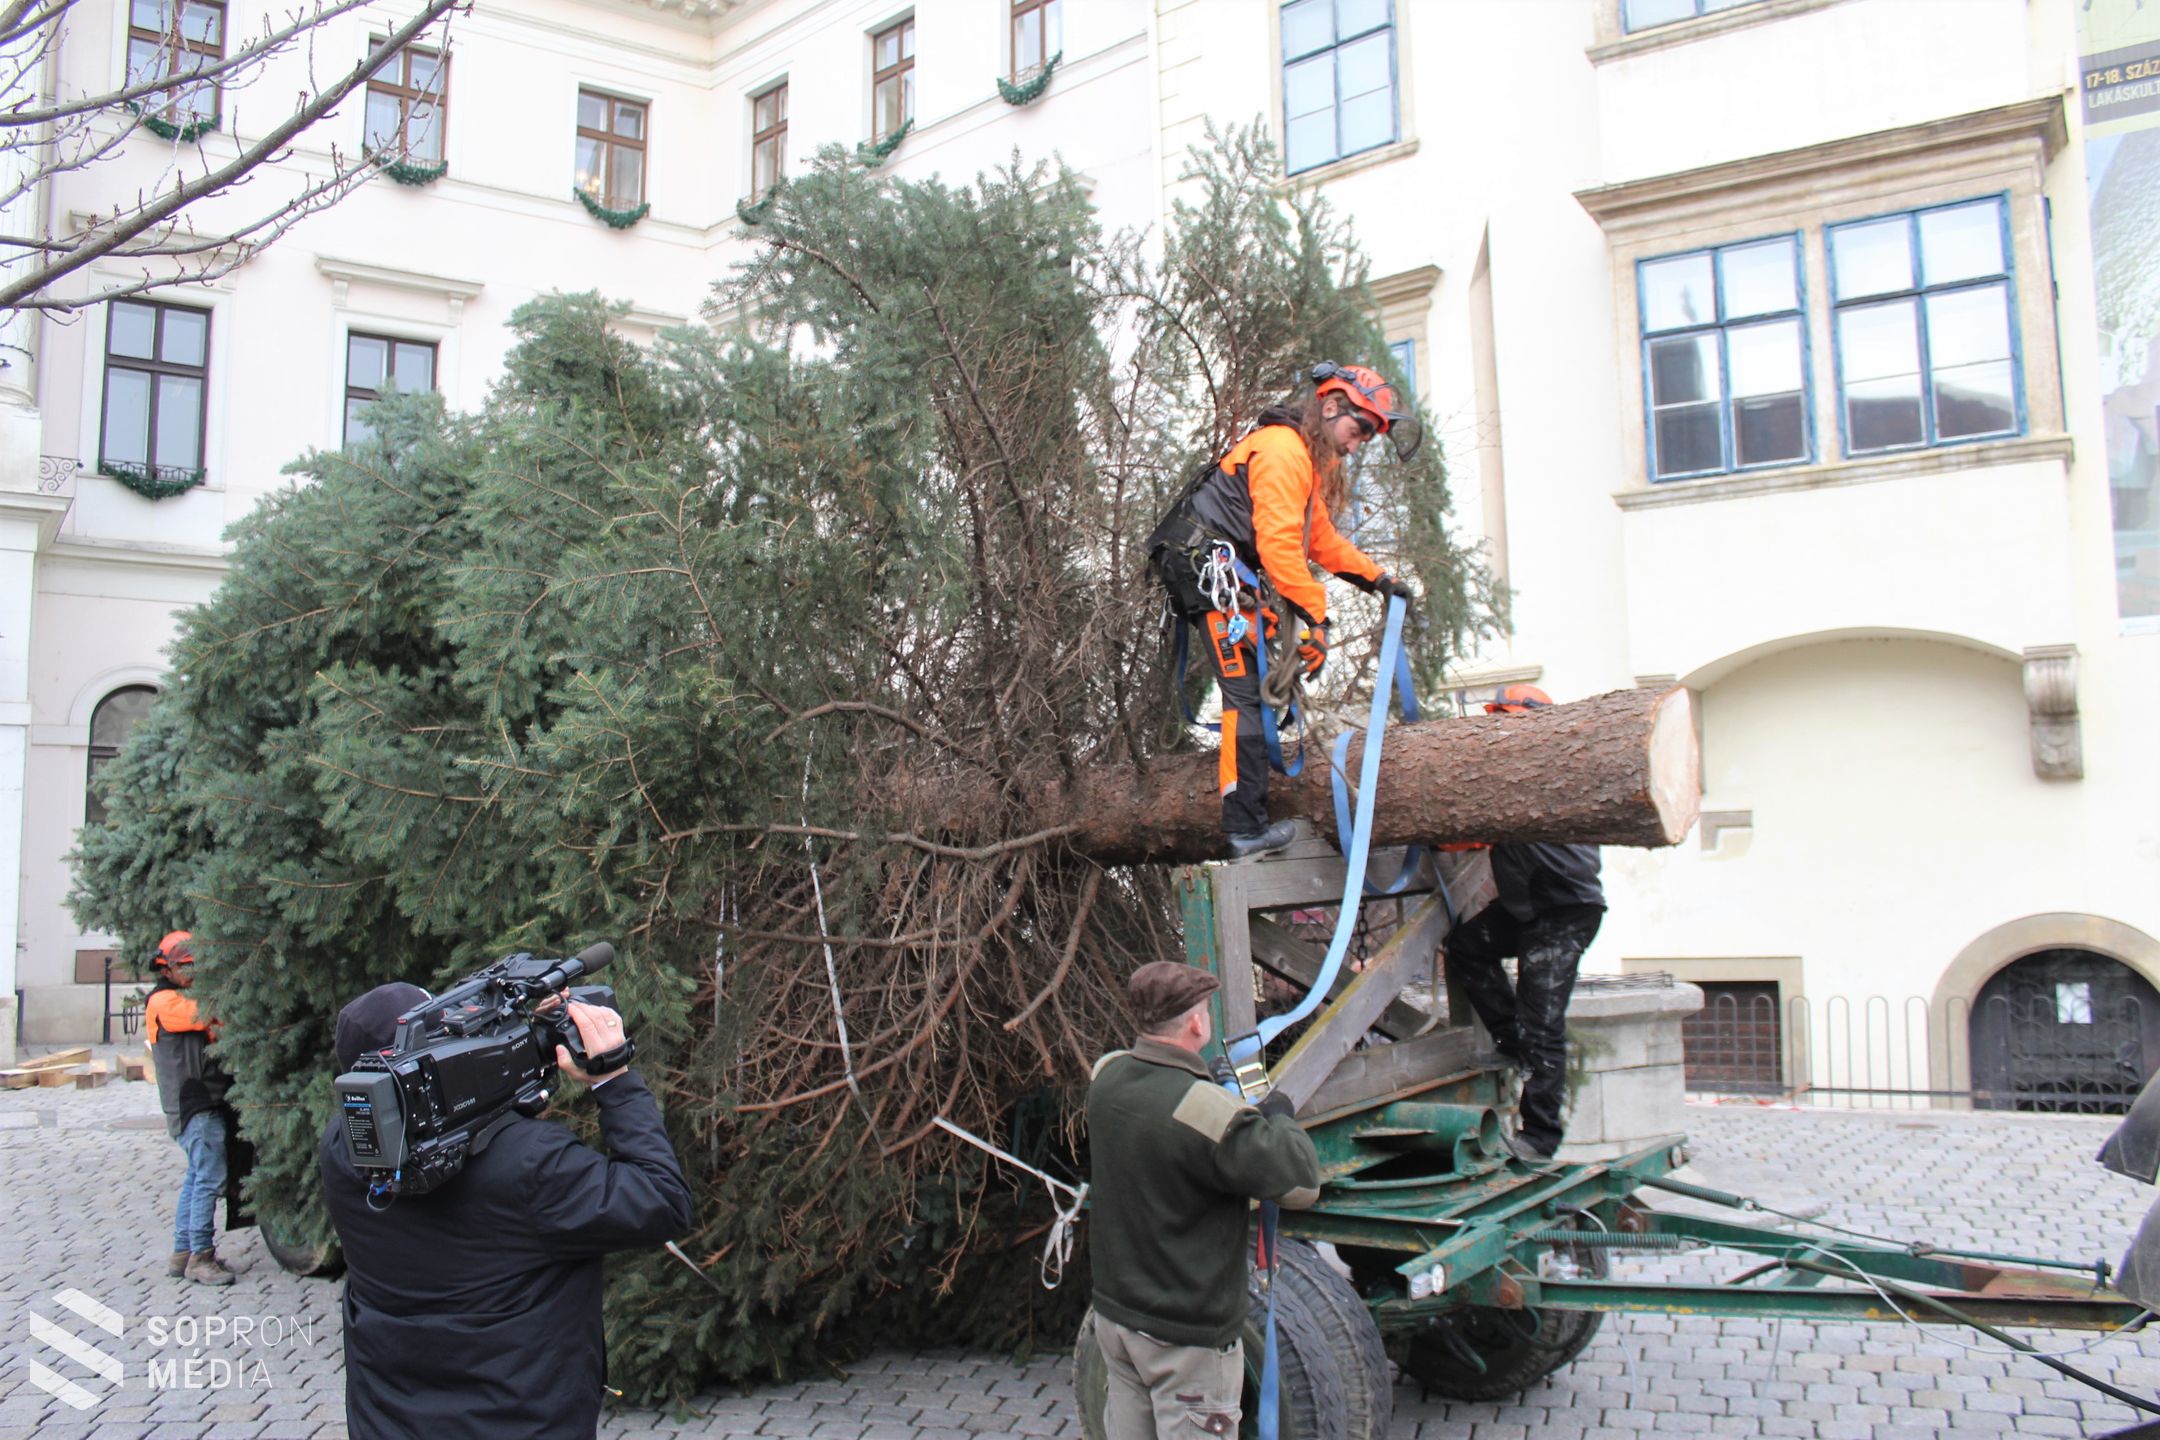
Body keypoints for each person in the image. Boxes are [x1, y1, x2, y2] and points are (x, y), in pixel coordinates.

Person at [320, 982, 694, 1440]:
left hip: (389, 1423)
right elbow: (661, 1199)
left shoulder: (341, 1149)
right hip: (522, 1423)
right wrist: (612, 1078)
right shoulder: (531, 1164)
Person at [1146, 362, 1420, 859]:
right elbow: (1278, 546)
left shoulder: (1307, 462)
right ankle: (1244, 828)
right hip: (1207, 565)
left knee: (1250, 689)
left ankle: (1248, 817)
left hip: (1223, 569)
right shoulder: (1283, 451)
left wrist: (1378, 579)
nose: (1358, 445)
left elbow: (1318, 540)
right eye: (1358, 430)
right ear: (1332, 406)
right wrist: (1318, 619)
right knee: (1244, 696)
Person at [1085, 961, 1322, 1438]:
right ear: (1196, 1023)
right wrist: (1277, 1114)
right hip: (1185, 1338)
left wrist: (1209, 1092)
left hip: (1118, 1319)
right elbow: (1300, 1183)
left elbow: (1165, 1127)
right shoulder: (1209, 1111)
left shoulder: (1106, 1077)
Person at [1442, 684, 1607, 1159]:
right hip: (1525, 910)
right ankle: (1512, 1040)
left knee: (1544, 1025)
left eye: (1507, 717)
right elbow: (1470, 836)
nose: (1499, 726)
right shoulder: (1507, 776)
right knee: (1467, 948)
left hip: (1563, 913)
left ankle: (1540, 1136)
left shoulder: (1549, 774)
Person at [144, 929, 238, 1285]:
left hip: (203, 1101)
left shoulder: (180, 997)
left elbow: (216, 1025)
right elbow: (206, 1015)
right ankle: (201, 1256)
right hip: (192, 1105)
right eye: (185, 965)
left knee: (197, 1176)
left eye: (197, 963)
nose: (193, 970)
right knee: (210, 1177)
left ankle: (182, 1254)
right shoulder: (164, 1001)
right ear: (165, 968)